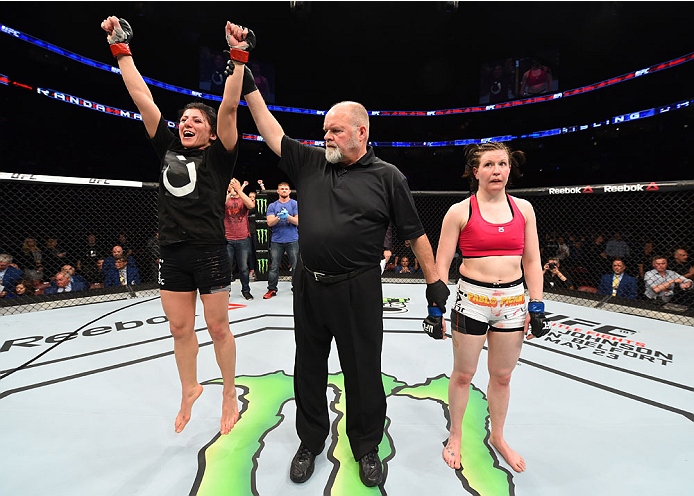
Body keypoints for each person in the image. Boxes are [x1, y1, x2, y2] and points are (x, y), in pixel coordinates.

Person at [244, 78, 448, 486]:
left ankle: (366, 446)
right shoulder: (311, 162)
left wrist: (434, 283)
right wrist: (246, 78)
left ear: (361, 132)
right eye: (324, 132)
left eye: (335, 130)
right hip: (309, 285)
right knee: (308, 367)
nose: (327, 138)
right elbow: (270, 129)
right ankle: (310, 442)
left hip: (359, 287)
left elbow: (414, 232)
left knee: (363, 371)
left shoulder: (389, 177)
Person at [100, 16, 249, 435]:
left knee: (218, 326)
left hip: (209, 249)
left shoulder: (220, 158)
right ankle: (189, 387)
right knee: (179, 327)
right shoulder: (166, 147)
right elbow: (143, 100)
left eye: (196, 120)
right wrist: (121, 50)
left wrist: (238, 57)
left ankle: (228, 391)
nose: (187, 123)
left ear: (211, 133)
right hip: (172, 251)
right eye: (184, 118)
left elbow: (230, 107)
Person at [434, 142, 547, 473]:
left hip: (512, 302)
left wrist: (537, 304)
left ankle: (498, 436)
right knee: (464, 374)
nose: (496, 170)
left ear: (510, 169)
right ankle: (454, 436)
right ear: (475, 171)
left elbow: (532, 259)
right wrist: (436, 309)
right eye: (488, 165)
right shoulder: (459, 211)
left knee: (502, 376)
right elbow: (442, 264)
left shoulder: (524, 209)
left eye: (502, 164)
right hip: (472, 301)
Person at [263, 182, 299, 299]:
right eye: (282, 189)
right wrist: (279, 217)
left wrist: (287, 216)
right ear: (278, 191)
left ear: (289, 191)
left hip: (292, 239)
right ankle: (272, 289)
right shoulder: (272, 206)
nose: (284, 190)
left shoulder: (294, 204)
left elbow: (298, 222)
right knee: (274, 267)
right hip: (277, 240)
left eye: (286, 189)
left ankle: (297, 289)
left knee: (295, 266)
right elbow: (269, 222)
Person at [224, 177, 256, 300]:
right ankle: (225, 292)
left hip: (242, 238)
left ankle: (246, 290)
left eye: (235, 184)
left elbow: (251, 205)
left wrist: (239, 190)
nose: (233, 186)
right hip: (228, 238)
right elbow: (219, 206)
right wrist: (230, 193)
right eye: (231, 184)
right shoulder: (226, 198)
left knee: (244, 268)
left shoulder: (243, 198)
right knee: (226, 268)